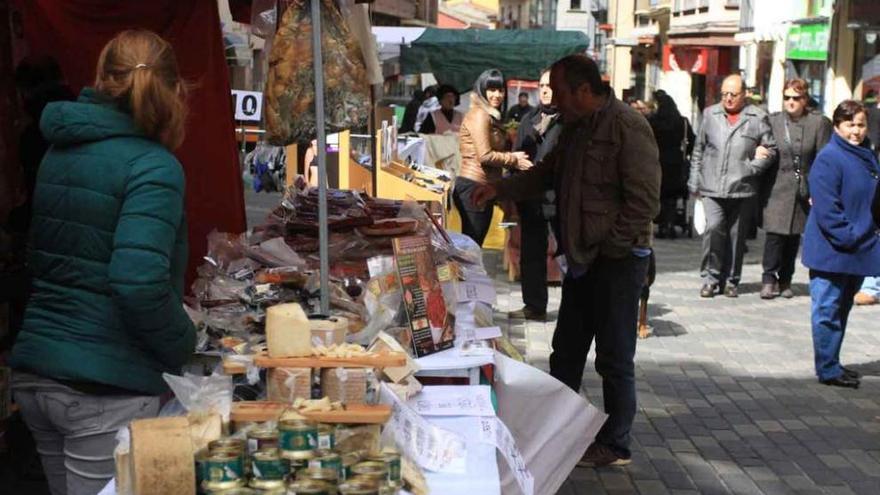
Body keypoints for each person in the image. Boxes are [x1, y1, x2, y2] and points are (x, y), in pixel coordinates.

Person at [10, 30, 197, 495]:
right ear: (176, 92)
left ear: (100, 78)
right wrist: (185, 346)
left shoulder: (59, 151)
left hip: (40, 372)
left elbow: (43, 257)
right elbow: (138, 282)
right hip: (103, 387)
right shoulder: (154, 167)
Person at [472, 54, 660, 467]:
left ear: (583, 89)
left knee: (613, 356)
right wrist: (500, 190)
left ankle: (615, 443)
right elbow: (544, 174)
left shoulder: (627, 126)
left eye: (558, 90)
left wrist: (610, 247)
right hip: (581, 258)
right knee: (566, 351)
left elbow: (644, 202)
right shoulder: (572, 126)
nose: (552, 98)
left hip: (617, 260)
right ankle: (559, 430)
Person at [802, 99, 880, 389]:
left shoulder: (865, 154)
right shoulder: (830, 157)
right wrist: (849, 235)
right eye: (850, 124)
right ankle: (827, 368)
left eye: (860, 124)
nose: (856, 131)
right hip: (832, 249)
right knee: (827, 310)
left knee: (842, 308)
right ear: (837, 126)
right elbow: (827, 207)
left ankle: (832, 362)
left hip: (858, 248)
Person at [689, 74, 776, 298]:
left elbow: (770, 149)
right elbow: (698, 149)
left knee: (736, 237)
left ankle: (731, 280)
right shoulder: (710, 114)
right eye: (724, 94)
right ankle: (710, 277)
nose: (728, 99)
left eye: (733, 94)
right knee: (714, 228)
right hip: (711, 186)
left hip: (742, 188)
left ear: (744, 94)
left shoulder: (757, 117)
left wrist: (753, 167)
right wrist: (693, 180)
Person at [760, 79, 832, 300]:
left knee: (792, 236)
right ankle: (768, 278)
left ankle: (786, 279)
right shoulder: (773, 121)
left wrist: (818, 191)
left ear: (805, 99)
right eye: (787, 97)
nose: (791, 102)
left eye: (796, 98)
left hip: (803, 188)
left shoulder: (818, 123)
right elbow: (763, 145)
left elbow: (823, 159)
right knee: (774, 234)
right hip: (776, 187)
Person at [454, 69, 532, 245]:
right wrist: (514, 159)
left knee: (472, 246)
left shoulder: (489, 115)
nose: (497, 95)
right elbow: (485, 155)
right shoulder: (480, 114)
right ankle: (459, 274)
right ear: (482, 90)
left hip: (482, 185)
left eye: (501, 90)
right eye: (492, 90)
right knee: (471, 247)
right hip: (474, 186)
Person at [508, 69, 562, 321]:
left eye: (550, 85)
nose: (545, 89)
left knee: (569, 255)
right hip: (532, 197)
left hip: (560, 198)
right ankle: (534, 305)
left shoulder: (570, 121)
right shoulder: (528, 119)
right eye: (541, 85)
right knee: (532, 254)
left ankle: (579, 310)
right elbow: (517, 155)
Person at [8, 56, 75, 235]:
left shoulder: (32, 137)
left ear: (25, 93)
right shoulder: (88, 121)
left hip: (54, 238)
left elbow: (38, 203)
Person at [649, 91, 694, 239]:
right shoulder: (682, 122)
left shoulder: (652, 121)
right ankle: (670, 222)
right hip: (675, 163)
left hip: (656, 161)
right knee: (672, 195)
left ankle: (661, 224)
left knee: (659, 194)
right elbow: (692, 142)